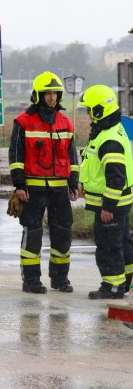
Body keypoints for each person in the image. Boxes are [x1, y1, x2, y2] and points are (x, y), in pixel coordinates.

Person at [9, 71, 79, 294]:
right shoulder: (23, 122)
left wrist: (74, 182)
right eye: (47, 93)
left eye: (55, 93)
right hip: (33, 189)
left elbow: (72, 157)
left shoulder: (65, 123)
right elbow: (16, 157)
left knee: (62, 234)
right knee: (33, 235)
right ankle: (31, 281)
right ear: (38, 95)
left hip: (59, 189)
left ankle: (60, 280)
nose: (51, 97)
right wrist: (19, 186)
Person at [78, 85, 133, 299]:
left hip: (111, 205)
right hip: (118, 203)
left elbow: (115, 178)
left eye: (90, 110)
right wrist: (85, 183)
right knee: (122, 243)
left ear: (100, 111)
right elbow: (97, 166)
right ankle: (125, 282)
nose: (88, 114)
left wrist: (108, 206)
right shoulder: (109, 130)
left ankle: (113, 287)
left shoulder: (109, 139)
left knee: (108, 247)